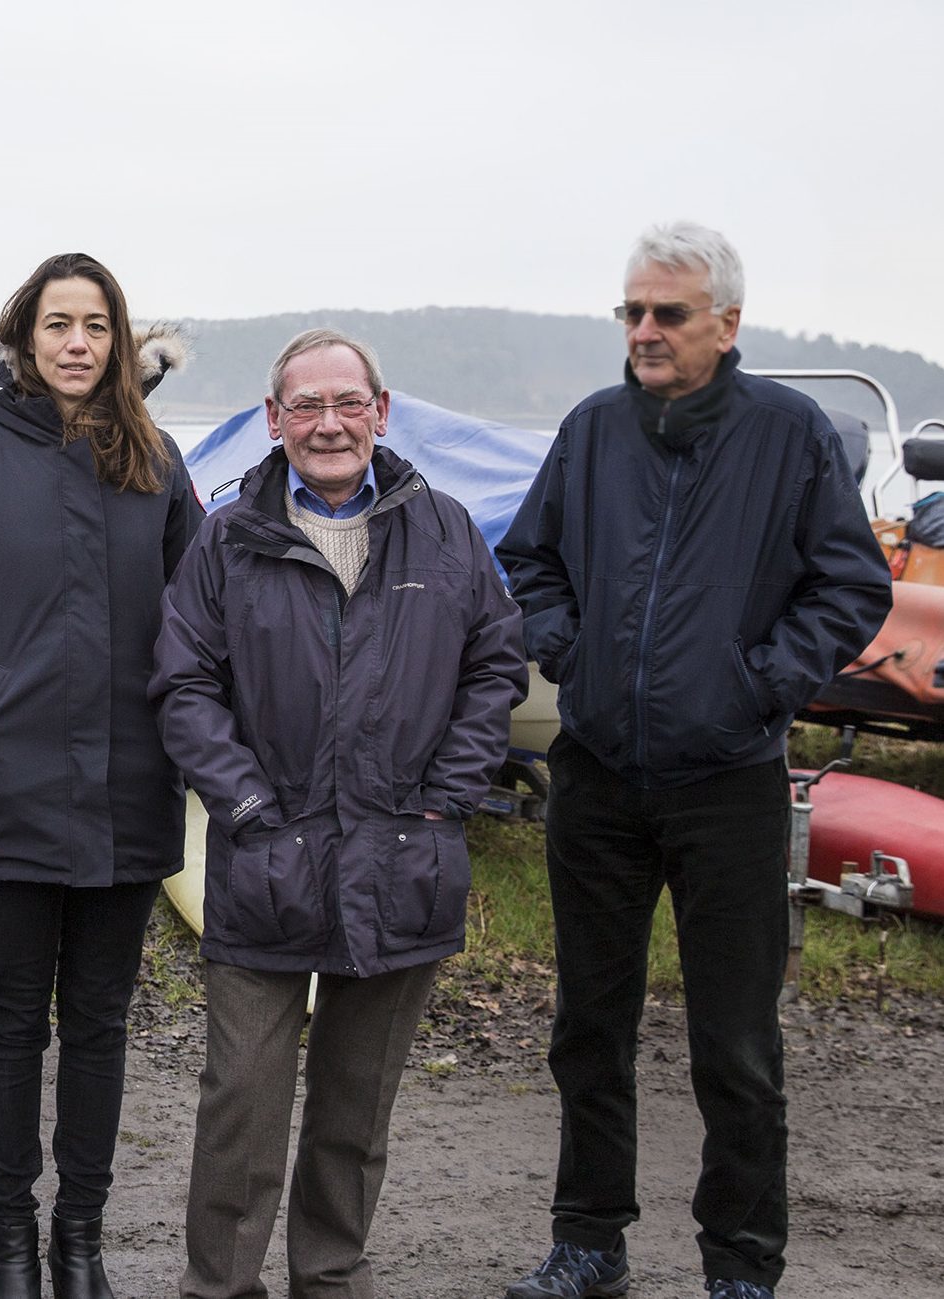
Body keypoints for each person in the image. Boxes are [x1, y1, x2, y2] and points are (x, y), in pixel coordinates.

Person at [496, 222, 890, 1299]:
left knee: (735, 1044)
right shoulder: (589, 431)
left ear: (725, 322)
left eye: (667, 313)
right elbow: (526, 560)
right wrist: (567, 650)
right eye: (629, 311)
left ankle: (740, 1264)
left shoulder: (790, 434)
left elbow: (851, 586)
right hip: (598, 776)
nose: (644, 331)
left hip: (729, 784)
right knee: (588, 1024)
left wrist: (755, 681)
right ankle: (588, 1241)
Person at [153, 328, 527, 1298]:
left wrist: (449, 796)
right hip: (265, 865)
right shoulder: (226, 537)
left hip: (405, 865)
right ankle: (219, 1287)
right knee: (241, 1107)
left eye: (345, 403)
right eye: (306, 406)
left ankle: (331, 1280)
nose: (328, 423)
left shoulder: (445, 530)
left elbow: (495, 664)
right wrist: (244, 804)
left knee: (354, 1118)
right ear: (273, 421)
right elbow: (184, 683)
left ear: (380, 411)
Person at [0, 252, 203, 1299]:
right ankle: (14, 1239)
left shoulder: (156, 461)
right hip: (6, 787)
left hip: (126, 787)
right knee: (16, 1020)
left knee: (102, 1023)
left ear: (120, 342)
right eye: (57, 324)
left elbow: (198, 613)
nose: (77, 343)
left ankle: (81, 1238)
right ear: (24, 339)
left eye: (96, 325)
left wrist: (174, 723)